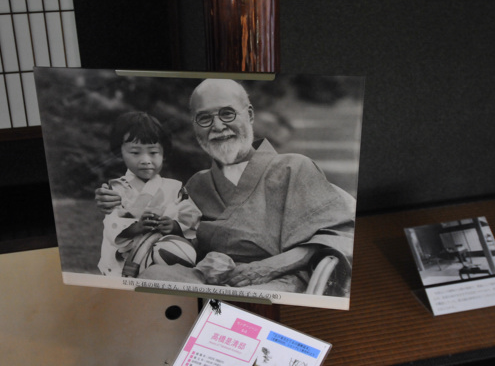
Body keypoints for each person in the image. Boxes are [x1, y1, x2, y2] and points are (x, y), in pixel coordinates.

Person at [96, 80, 355, 296]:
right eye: (204, 118)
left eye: (227, 113)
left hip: (279, 282)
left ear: (250, 115)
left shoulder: (293, 167)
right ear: (195, 126)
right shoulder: (198, 183)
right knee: (155, 276)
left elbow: (338, 235)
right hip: (214, 280)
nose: (218, 126)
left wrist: (266, 268)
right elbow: (181, 233)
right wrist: (118, 201)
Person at [96, 112, 200, 277]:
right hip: (120, 267)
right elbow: (112, 225)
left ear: (164, 153)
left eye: (153, 152)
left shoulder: (175, 188)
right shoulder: (116, 189)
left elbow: (192, 216)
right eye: (135, 153)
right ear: (119, 152)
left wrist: (175, 226)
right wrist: (137, 227)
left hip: (163, 264)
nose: (145, 160)